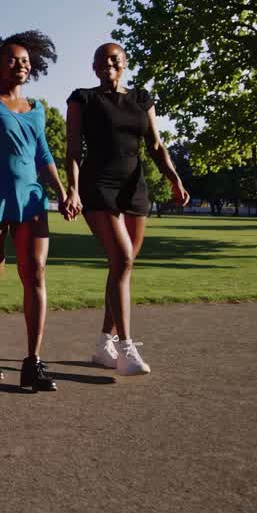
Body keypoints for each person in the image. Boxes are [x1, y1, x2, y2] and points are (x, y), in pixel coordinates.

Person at [0, 31, 77, 392]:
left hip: (31, 201)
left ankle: (33, 362)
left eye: (24, 60)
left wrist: (64, 191)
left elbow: (44, 156)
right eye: (12, 59)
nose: (20, 65)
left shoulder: (37, 110)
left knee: (35, 273)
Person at [64, 42, 189, 376]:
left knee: (122, 267)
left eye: (113, 59)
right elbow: (73, 147)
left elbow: (156, 145)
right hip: (97, 184)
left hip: (134, 188)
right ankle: (126, 347)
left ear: (124, 63)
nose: (107, 63)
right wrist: (73, 189)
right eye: (100, 60)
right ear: (92, 67)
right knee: (122, 259)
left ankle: (104, 342)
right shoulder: (83, 99)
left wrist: (175, 179)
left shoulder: (141, 99)